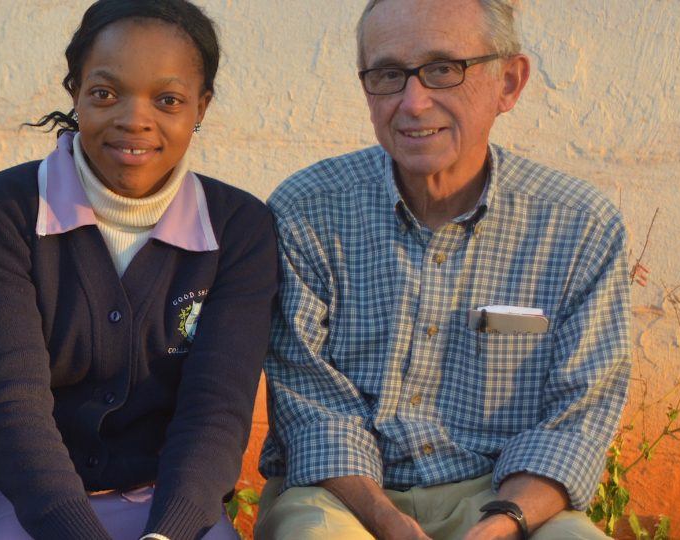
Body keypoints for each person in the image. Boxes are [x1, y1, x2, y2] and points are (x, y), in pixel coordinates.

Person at [255, 1, 630, 539]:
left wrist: (501, 524)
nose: (413, 102)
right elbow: (311, 405)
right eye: (388, 74)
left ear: (509, 82)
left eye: (443, 69)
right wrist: (388, 522)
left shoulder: (578, 227)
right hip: (343, 495)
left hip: (504, 496)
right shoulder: (307, 211)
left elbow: (580, 414)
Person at [0, 1, 278, 539]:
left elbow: (215, 414)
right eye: (105, 93)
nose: (134, 118)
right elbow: (14, 408)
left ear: (201, 107)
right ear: (76, 93)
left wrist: (168, 534)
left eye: (168, 99)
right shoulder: (8, 210)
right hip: (27, 506)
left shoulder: (238, 229)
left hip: (172, 510)